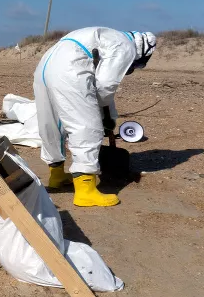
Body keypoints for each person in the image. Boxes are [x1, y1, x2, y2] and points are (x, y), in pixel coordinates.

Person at [34, 27, 156, 206]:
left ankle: (57, 175)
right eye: (137, 65)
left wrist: (108, 112)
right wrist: (104, 118)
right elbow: (105, 86)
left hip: (46, 64)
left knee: (52, 122)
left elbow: (99, 81)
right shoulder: (126, 46)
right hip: (70, 67)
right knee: (87, 125)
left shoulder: (107, 36)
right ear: (141, 53)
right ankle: (85, 191)